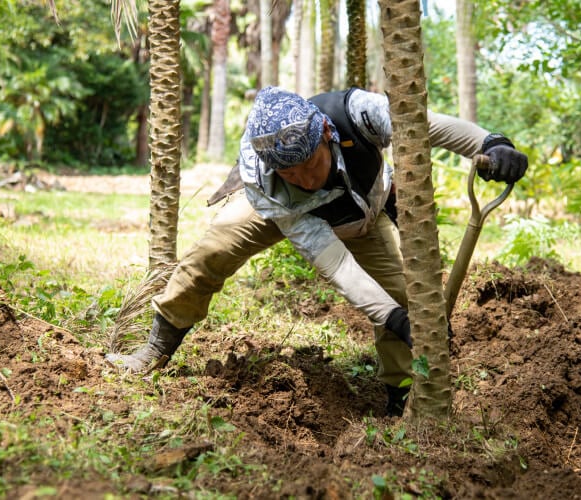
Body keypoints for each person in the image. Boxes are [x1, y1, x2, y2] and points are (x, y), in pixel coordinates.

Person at [106, 86, 528, 416]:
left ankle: (400, 395)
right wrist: (393, 319)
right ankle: (156, 349)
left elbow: (425, 127)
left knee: (402, 294)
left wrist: (490, 143)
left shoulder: (357, 113)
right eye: (292, 172)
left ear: (327, 134)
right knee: (210, 252)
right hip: (282, 215)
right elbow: (335, 263)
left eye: (311, 163)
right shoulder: (267, 182)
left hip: (362, 214)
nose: (305, 178)